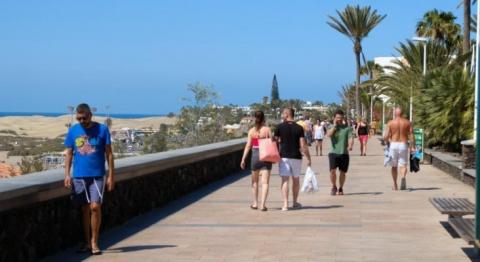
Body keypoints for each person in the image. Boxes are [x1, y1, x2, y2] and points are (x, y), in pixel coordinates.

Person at [64, 103, 114, 255]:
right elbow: (69, 153)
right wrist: (67, 174)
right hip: (79, 175)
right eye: (78, 118)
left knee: (95, 207)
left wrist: (111, 175)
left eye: (84, 118)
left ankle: (95, 242)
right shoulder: (73, 130)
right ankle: (87, 241)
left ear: (90, 115)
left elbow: (109, 154)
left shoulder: (102, 130)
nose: (81, 121)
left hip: (97, 175)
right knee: (84, 209)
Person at [274, 108, 312, 211]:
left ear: (287, 114)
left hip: (284, 157)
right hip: (296, 156)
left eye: (283, 113)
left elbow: (274, 142)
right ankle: (295, 202)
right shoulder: (299, 128)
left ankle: (285, 204)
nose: (282, 115)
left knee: (285, 180)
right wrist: (308, 158)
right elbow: (303, 145)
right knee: (296, 179)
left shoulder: (279, 127)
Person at [240, 111, 272, 211]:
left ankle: (255, 203)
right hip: (265, 156)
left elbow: (248, 146)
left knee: (254, 182)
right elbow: (271, 143)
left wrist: (243, 159)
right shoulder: (267, 130)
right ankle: (263, 205)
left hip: (255, 156)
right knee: (265, 182)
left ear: (255, 118)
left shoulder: (251, 131)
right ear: (263, 118)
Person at [384, 107, 415, 190]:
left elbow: (386, 136)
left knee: (394, 166)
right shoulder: (407, 122)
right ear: (402, 113)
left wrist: (386, 141)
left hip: (393, 144)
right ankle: (403, 177)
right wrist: (413, 147)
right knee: (403, 165)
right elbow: (411, 135)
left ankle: (395, 185)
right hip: (403, 144)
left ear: (395, 113)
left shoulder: (390, 123)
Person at [326, 109, 353, 196]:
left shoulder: (347, 128)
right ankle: (334, 186)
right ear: (334, 118)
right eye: (337, 118)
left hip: (344, 153)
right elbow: (329, 135)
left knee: (342, 172)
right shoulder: (330, 126)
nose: (339, 119)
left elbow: (350, 138)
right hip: (333, 152)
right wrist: (334, 126)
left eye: (340, 118)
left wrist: (350, 145)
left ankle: (340, 187)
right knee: (332, 171)